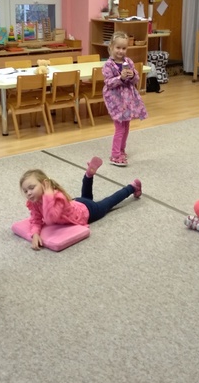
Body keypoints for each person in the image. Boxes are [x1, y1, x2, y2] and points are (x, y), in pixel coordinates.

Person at [20, 157, 142, 251]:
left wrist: (48, 196)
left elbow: (50, 218)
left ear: (44, 184)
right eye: (25, 191)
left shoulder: (57, 197)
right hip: (78, 203)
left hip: (87, 212)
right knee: (86, 198)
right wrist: (35, 234)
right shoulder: (34, 202)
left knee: (108, 202)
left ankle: (132, 187)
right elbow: (36, 219)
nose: (29, 193)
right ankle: (88, 176)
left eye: (32, 188)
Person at [102, 31, 147, 166]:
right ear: (111, 47)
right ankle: (115, 155)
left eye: (124, 48)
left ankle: (121, 150)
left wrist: (132, 75)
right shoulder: (108, 65)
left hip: (127, 100)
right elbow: (108, 83)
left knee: (126, 127)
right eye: (118, 48)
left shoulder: (129, 62)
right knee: (120, 128)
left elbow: (136, 79)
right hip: (115, 100)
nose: (121, 51)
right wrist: (120, 78)